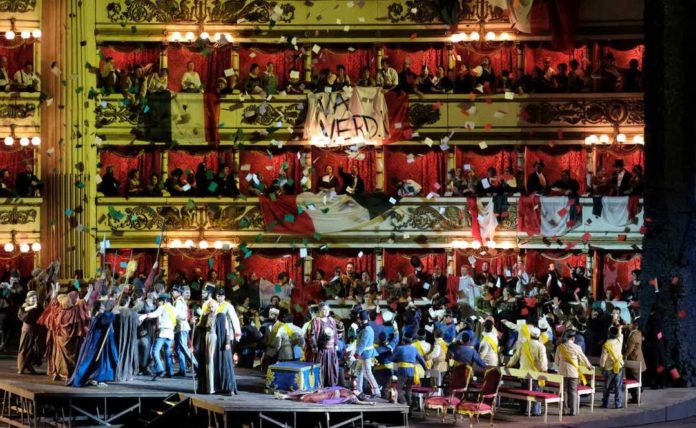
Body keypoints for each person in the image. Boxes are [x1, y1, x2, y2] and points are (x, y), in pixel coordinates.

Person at [68, 299, 119, 387]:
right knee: (96, 360)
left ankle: (95, 377)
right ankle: (97, 378)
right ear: (99, 307)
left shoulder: (98, 315)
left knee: (98, 360)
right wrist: (113, 313)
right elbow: (104, 321)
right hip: (97, 342)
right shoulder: (99, 315)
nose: (104, 307)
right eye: (102, 305)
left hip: (96, 341)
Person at [194, 299, 237, 395]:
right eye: (209, 307)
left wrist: (227, 342)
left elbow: (226, 330)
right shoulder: (205, 316)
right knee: (208, 362)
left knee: (218, 362)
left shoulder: (221, 316)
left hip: (216, 340)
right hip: (206, 339)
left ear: (216, 307)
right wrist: (196, 323)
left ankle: (225, 387)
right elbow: (200, 327)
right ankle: (209, 387)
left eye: (212, 306)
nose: (211, 308)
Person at [507, 326, 548, 416]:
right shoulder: (541, 346)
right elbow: (543, 362)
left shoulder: (523, 344)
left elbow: (515, 358)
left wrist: (508, 365)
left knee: (524, 390)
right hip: (535, 374)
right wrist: (544, 370)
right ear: (539, 336)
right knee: (536, 392)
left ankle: (523, 409)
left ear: (530, 335)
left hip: (523, 373)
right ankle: (535, 411)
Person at [555, 329, 593, 416]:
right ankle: (573, 411)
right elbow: (583, 358)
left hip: (562, 373)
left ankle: (564, 410)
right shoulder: (577, 347)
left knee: (563, 391)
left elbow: (556, 362)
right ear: (572, 338)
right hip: (573, 373)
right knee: (573, 392)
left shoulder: (559, 347)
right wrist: (589, 366)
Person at [139, 293, 176, 380]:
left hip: (162, 332)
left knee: (154, 352)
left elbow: (153, 314)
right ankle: (170, 372)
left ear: (163, 301)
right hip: (171, 334)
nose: (158, 302)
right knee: (168, 353)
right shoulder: (174, 309)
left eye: (159, 300)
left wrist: (144, 316)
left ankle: (160, 369)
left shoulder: (162, 307)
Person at [391, 334, 427, 411]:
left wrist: (398, 359)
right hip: (411, 371)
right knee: (408, 389)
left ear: (403, 341)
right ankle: (410, 407)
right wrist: (425, 368)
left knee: (398, 389)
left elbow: (392, 358)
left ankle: (404, 403)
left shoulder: (399, 348)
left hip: (402, 370)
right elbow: (421, 359)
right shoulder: (414, 349)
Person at [308, 302, 340, 387]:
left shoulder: (332, 320)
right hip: (322, 349)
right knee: (322, 367)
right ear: (319, 311)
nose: (325, 312)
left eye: (327, 310)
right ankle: (320, 385)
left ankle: (331, 384)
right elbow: (312, 335)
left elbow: (335, 333)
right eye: (323, 310)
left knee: (332, 367)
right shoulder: (316, 321)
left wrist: (336, 343)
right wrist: (314, 346)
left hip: (331, 350)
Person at [355, 310, 380, 399]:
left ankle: (376, 391)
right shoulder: (365, 328)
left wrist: (357, 353)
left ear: (361, 319)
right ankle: (358, 391)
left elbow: (363, 343)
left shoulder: (366, 330)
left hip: (365, 354)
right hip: (363, 354)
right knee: (358, 372)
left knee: (367, 373)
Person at [114, 294, 139, 383]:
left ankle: (116, 374)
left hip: (117, 337)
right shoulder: (133, 313)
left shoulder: (116, 312)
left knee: (117, 354)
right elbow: (137, 324)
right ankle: (127, 374)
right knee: (128, 355)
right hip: (129, 338)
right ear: (127, 302)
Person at [173, 286, 196, 376]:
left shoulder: (179, 302)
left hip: (182, 327)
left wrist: (174, 315)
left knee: (184, 348)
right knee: (179, 349)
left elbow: (182, 315)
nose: (173, 293)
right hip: (179, 328)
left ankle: (196, 366)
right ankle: (182, 369)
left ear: (179, 292)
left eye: (175, 291)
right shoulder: (180, 301)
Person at [17, 291, 42, 374]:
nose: (35, 299)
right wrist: (32, 307)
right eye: (33, 298)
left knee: (32, 349)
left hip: (35, 330)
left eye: (36, 297)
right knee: (24, 348)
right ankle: (21, 367)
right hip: (27, 330)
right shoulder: (25, 306)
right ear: (28, 299)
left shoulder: (38, 306)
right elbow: (22, 313)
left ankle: (29, 365)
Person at [600, 325, 624, 408]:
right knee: (618, 386)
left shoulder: (606, 344)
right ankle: (618, 404)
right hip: (619, 366)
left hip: (609, 368)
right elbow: (621, 335)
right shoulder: (619, 340)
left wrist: (602, 367)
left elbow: (603, 358)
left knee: (606, 386)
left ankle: (605, 403)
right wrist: (619, 328)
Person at [624, 318, 645, 404]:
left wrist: (624, 356)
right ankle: (634, 398)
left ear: (633, 326)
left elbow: (630, 349)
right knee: (633, 378)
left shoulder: (634, 336)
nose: (629, 325)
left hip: (634, 359)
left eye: (630, 324)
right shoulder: (637, 333)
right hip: (635, 358)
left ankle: (636, 398)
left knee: (635, 379)